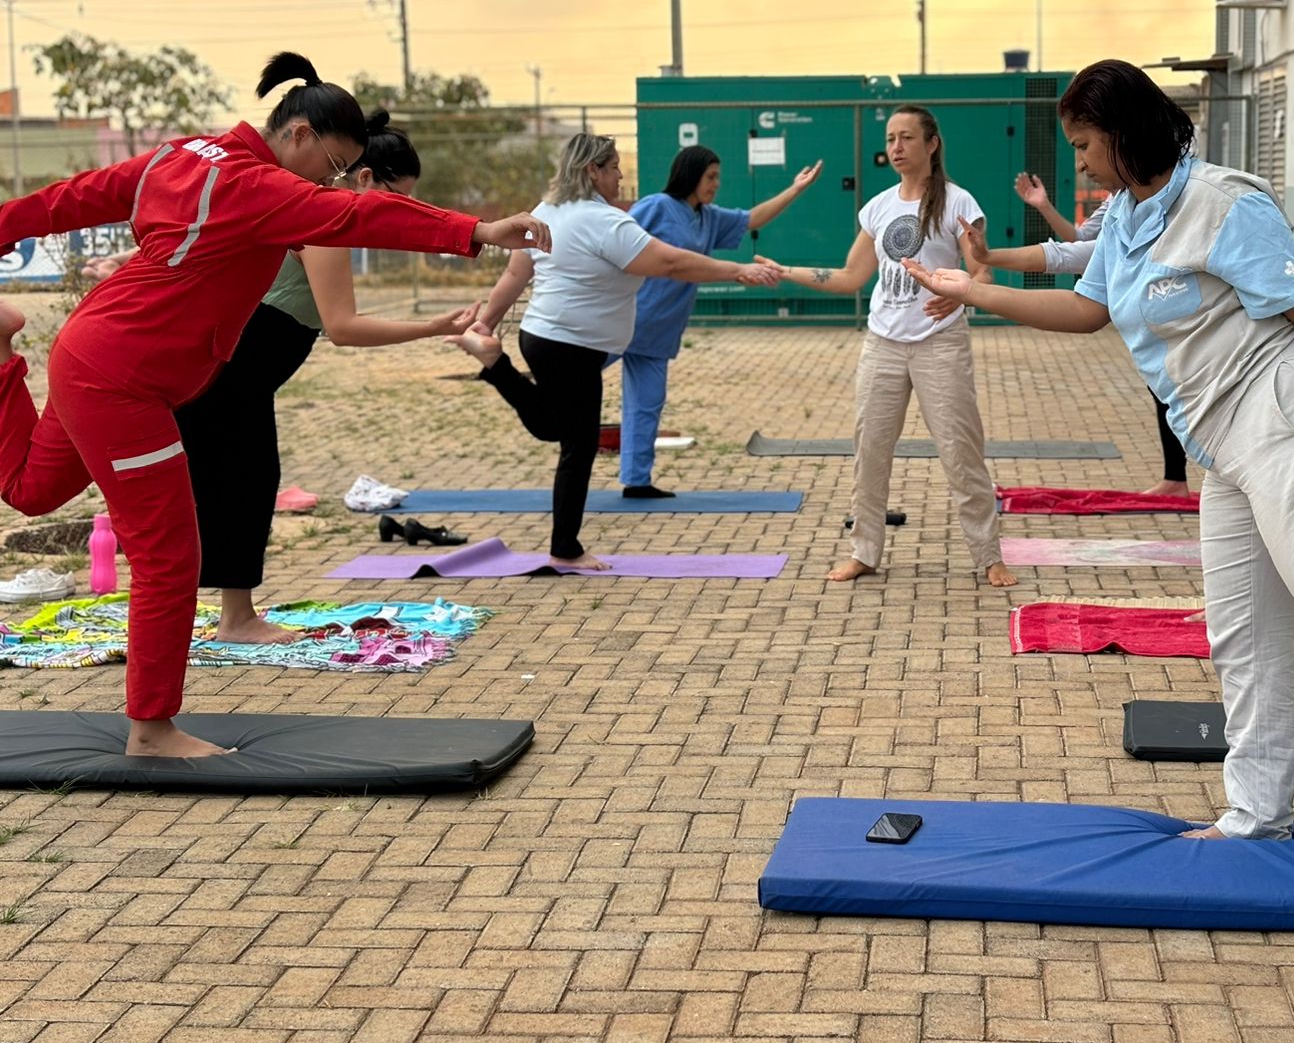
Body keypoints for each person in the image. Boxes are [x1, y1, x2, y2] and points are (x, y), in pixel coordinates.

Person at [903, 59, 1294, 838]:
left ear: (1122, 133)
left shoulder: (1219, 201)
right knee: (1242, 633)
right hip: (1221, 443)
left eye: (1084, 143)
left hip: (1284, 413)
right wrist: (968, 293)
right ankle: (1256, 814)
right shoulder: (1125, 215)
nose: (1077, 161)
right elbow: (1088, 312)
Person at [0, 52, 550, 758]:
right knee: (171, 555)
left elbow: (70, 197)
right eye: (333, 163)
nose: (333, 179)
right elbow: (360, 213)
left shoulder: (182, 156)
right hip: (123, 377)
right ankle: (151, 729)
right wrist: (474, 232)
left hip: (93, 347)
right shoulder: (254, 185)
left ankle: (2, 351)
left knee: (31, 490)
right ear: (296, 133)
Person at [170, 110, 479, 644]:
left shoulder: (320, 216)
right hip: (225, 375)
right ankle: (232, 619)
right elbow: (344, 326)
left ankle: (221, 616)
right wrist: (431, 326)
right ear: (363, 179)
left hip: (237, 377)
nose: (399, 213)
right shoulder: (324, 226)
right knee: (237, 487)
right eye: (395, 198)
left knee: (230, 489)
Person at [460, 133, 781, 569]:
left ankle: (495, 361)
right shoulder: (604, 222)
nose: (620, 175)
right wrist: (737, 269)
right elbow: (671, 262)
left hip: (544, 338)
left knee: (559, 430)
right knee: (576, 444)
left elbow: (517, 274)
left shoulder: (547, 211)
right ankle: (565, 549)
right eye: (613, 167)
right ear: (593, 171)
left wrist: (488, 322)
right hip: (569, 344)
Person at [753, 105, 1017, 589]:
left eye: (907, 138)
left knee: (961, 452)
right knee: (869, 451)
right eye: (891, 139)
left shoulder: (958, 202)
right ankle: (864, 551)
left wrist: (963, 294)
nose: (896, 148)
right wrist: (786, 270)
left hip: (941, 343)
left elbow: (982, 269)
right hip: (882, 345)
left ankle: (988, 555)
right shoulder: (877, 207)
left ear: (931, 144)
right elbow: (852, 276)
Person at [988, 179, 1294, 498]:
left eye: (1086, 146)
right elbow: (1077, 253)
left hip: (1269, 394)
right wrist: (990, 262)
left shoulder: (1211, 200)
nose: (1084, 164)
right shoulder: (1120, 209)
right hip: (1223, 436)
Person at [617, 146, 822, 497]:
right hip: (623, 318)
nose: (716, 184)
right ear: (690, 175)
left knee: (648, 402)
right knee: (569, 384)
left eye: (718, 177)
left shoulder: (708, 217)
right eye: (710, 177)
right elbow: (615, 242)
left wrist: (795, 188)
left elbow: (752, 218)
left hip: (659, 330)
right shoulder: (656, 206)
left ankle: (636, 481)